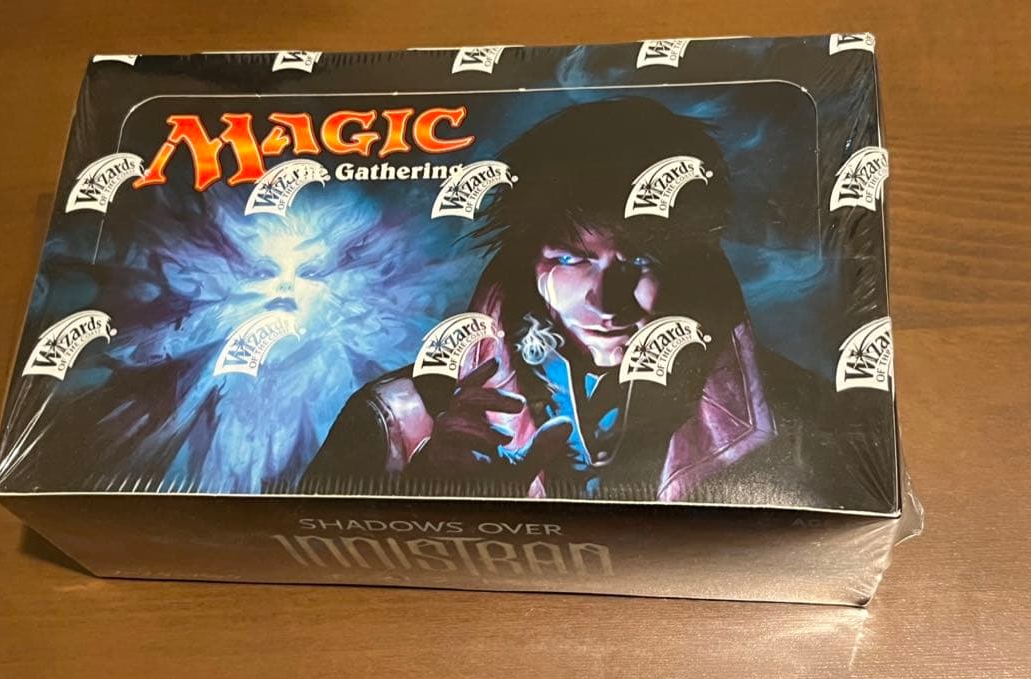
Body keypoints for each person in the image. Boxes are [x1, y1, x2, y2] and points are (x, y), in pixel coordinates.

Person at [305, 97, 875, 507]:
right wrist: (434, 506)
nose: (606, 300)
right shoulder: (395, 420)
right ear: (527, 263)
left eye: (641, 260)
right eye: (571, 258)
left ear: (692, 265)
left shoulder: (799, 417)